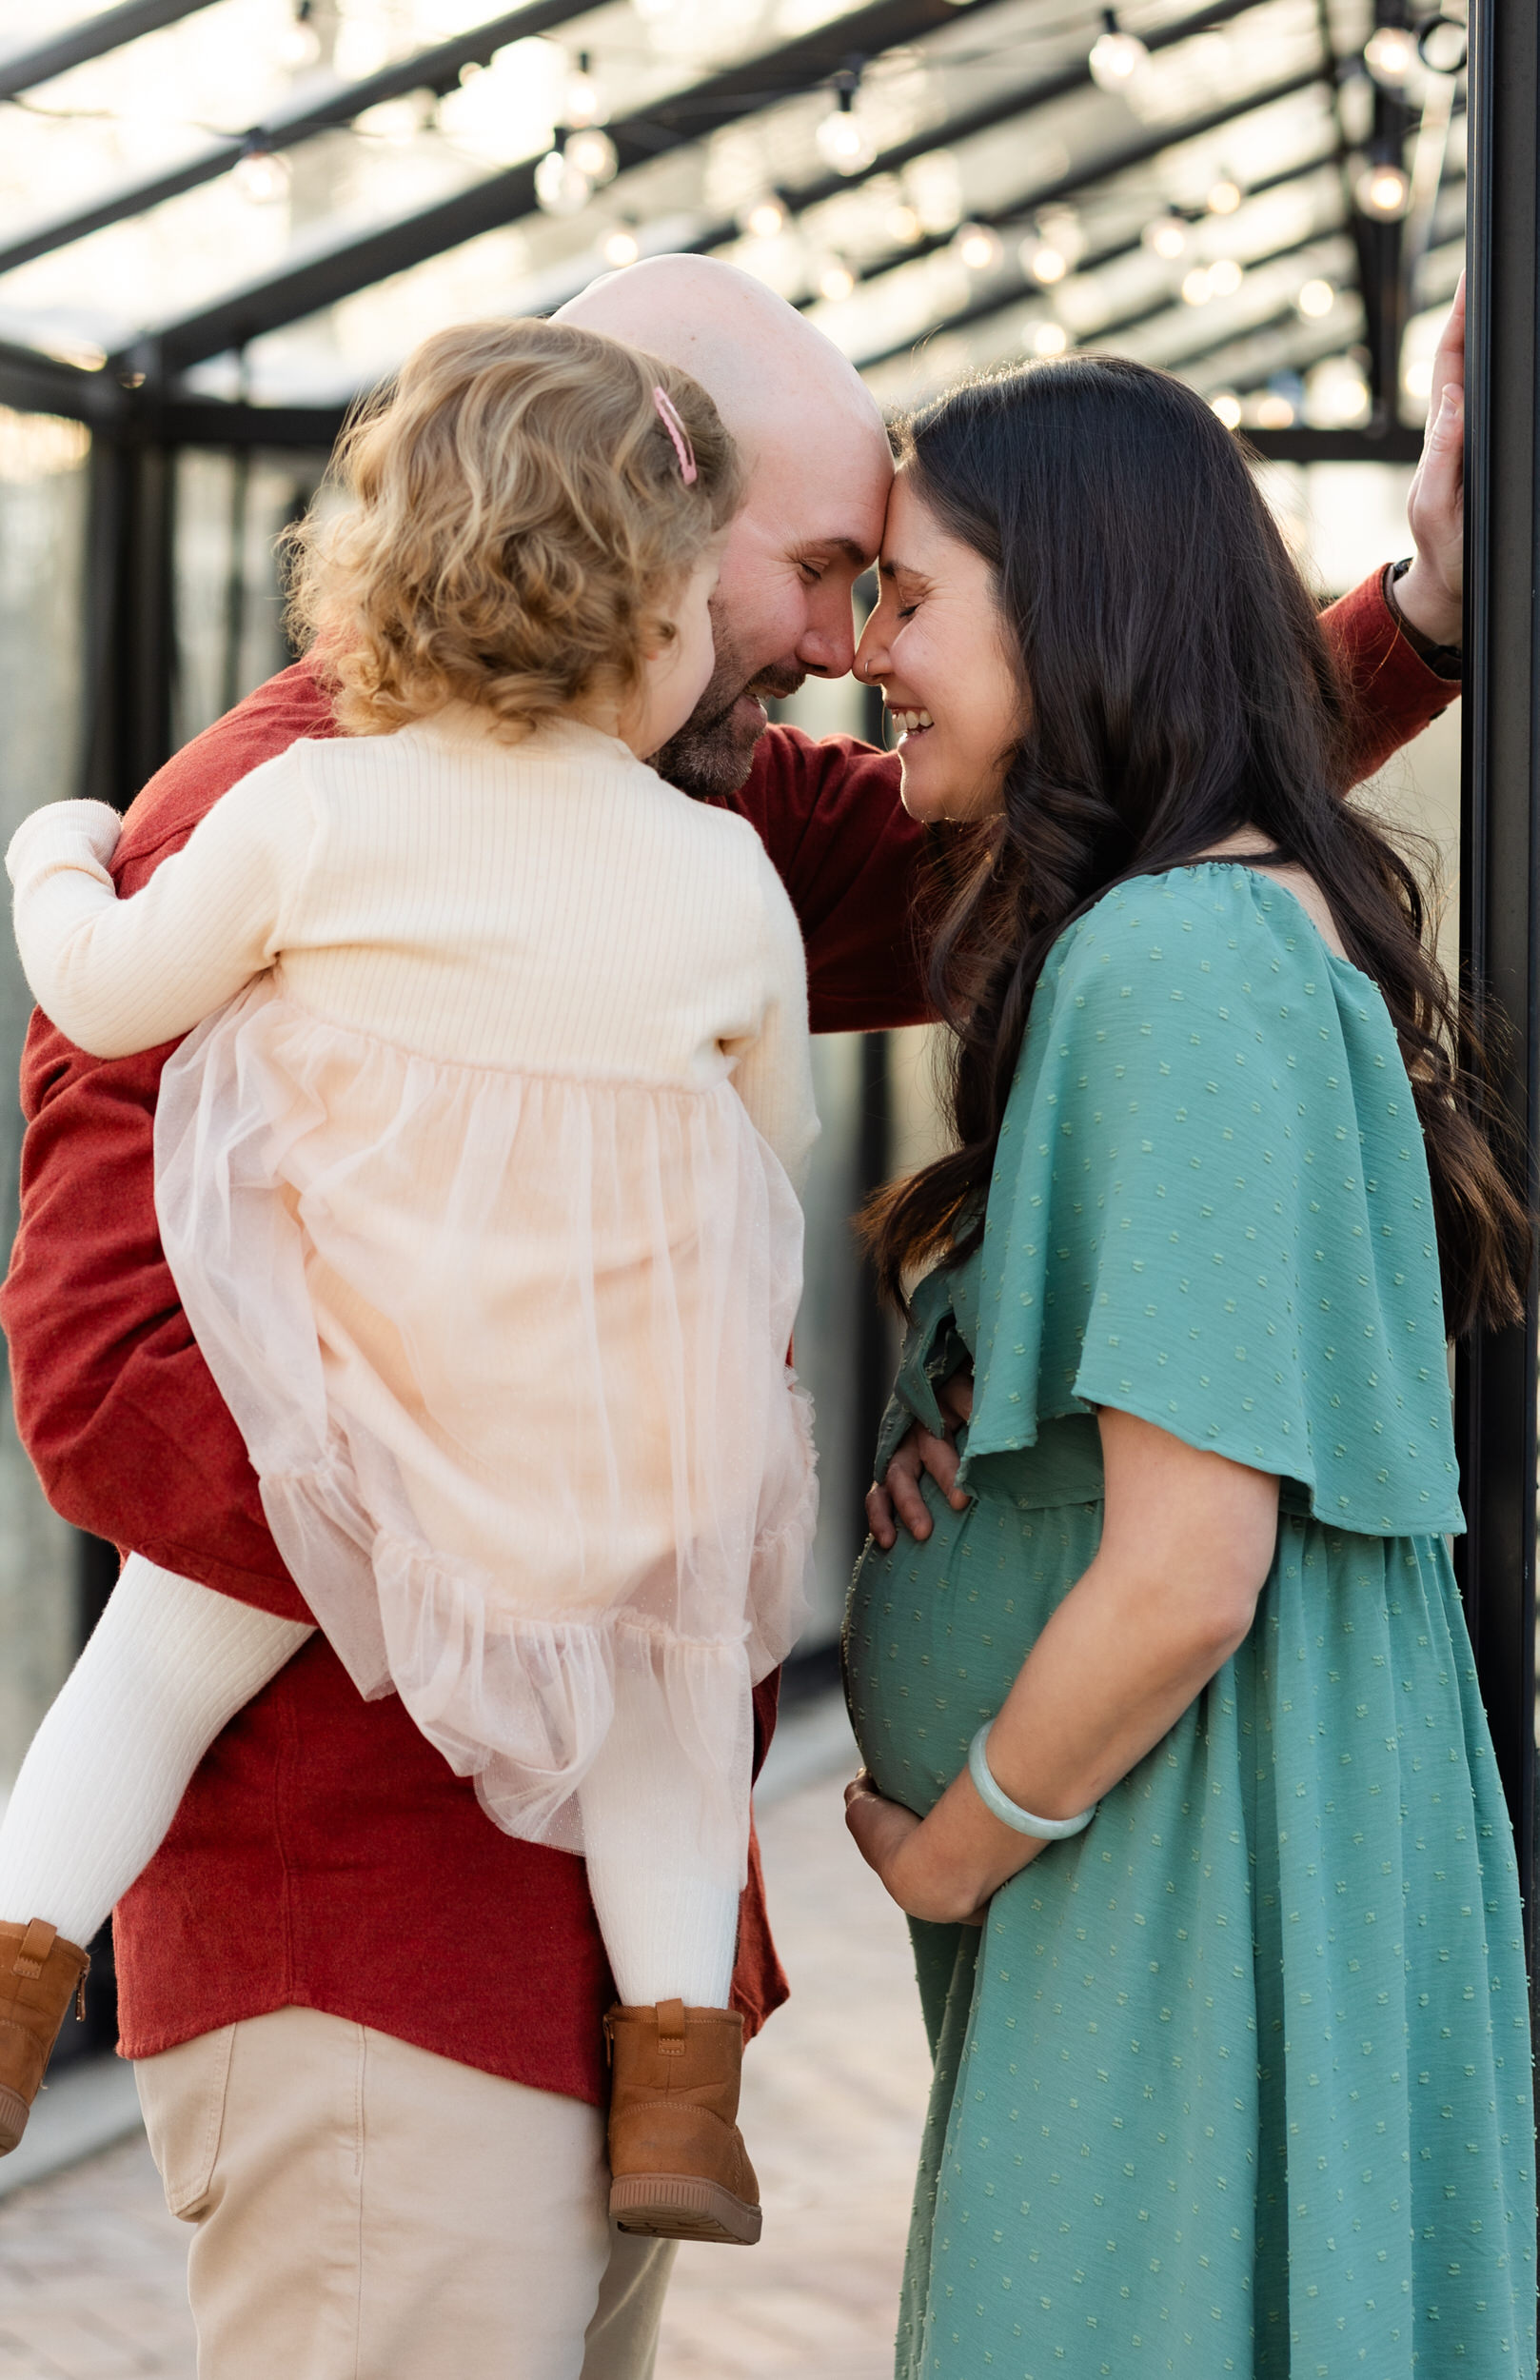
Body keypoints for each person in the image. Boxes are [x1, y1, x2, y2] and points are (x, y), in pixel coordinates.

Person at [0, 255, 1467, 2379]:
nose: (840, 646)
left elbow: (1095, 758)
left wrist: (1412, 614)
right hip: (374, 1946)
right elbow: (105, 1382)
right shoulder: (266, 822)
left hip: (592, 1981)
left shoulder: (683, 800)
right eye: (818, 571)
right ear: (634, 510)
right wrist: (559, 1502)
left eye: (885, 589)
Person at [0, 319, 817, 2251]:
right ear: (654, 616)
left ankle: (0, 1986)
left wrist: (55, 854)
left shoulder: (302, 810)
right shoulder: (714, 871)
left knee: (154, 1667)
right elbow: (761, 1151)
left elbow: (105, 995)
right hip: (606, 1433)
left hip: (341, 1409)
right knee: (661, 1720)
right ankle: (677, 2081)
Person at [841, 349, 1532, 2379]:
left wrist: (954, 1841)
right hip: (1165, 1846)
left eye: (906, 595)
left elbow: (1182, 1567)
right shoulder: (1184, 938)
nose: (866, 651)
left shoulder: (1172, 961)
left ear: (1063, 604)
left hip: (1176, 1871)